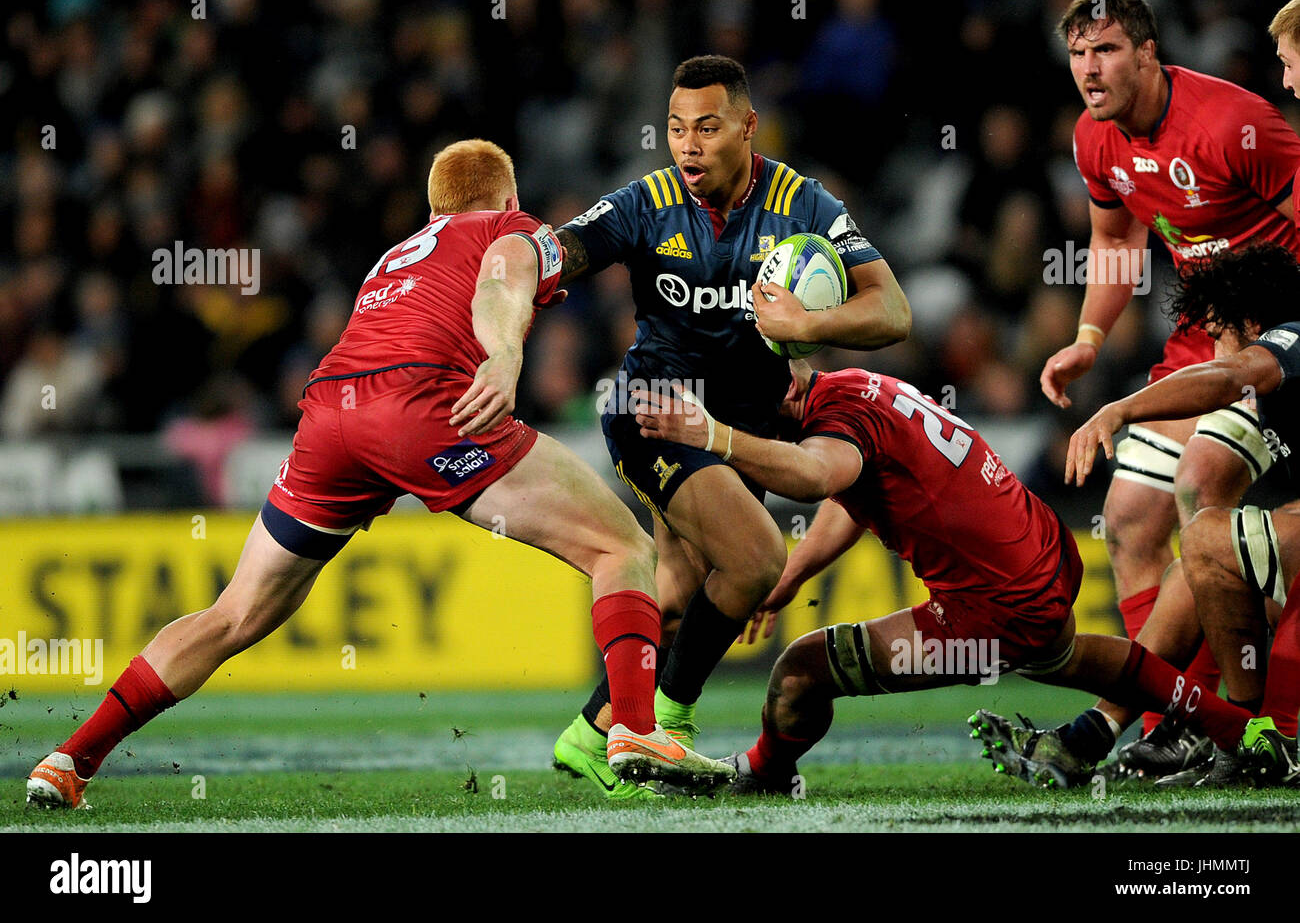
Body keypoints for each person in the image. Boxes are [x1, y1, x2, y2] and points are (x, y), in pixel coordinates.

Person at [25, 139, 733, 810]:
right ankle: (634, 725)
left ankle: (70, 759)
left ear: (434, 208)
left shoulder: (394, 256)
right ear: (506, 196)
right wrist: (505, 354)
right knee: (622, 547)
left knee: (233, 613)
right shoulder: (510, 227)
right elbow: (502, 286)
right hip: (422, 403)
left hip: (328, 414)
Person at [548, 54, 911, 799]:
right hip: (655, 411)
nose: (687, 145)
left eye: (707, 128)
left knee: (678, 594)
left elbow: (893, 311)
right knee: (753, 558)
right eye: (676, 129)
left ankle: (590, 735)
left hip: (746, 431)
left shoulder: (803, 206)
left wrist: (812, 320)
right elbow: (566, 249)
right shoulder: (646, 203)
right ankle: (668, 728)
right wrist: (512, 267)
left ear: (748, 127)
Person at [630, 362, 1257, 792]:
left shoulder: (830, 427)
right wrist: (793, 575)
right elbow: (846, 489)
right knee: (1060, 653)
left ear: (783, 392)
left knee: (800, 671)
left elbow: (817, 476)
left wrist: (713, 436)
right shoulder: (852, 388)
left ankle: (766, 777)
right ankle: (1239, 733)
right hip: (1040, 547)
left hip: (992, 602)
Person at [1037, 0, 1300, 766]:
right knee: (1128, 518)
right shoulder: (1094, 138)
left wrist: (1281, 342)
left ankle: (1245, 721)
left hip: (1269, 338)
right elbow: (1116, 241)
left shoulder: (1235, 122)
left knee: (1200, 486)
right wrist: (1089, 336)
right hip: (1200, 337)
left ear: (1150, 53)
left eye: (1108, 50)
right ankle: (1171, 726)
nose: (1090, 69)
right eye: (1079, 54)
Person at [1057, 241, 1300, 786]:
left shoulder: (1291, 340)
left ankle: (1253, 737)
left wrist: (1121, 409)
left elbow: (1224, 378)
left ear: (1254, 323)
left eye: (1217, 335)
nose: (1213, 351)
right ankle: (1101, 726)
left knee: (1207, 534)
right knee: (1190, 571)